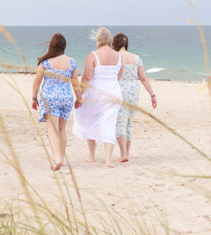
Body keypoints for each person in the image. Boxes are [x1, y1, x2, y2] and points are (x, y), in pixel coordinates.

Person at [73, 27, 122, 167]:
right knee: (110, 123)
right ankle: (108, 160)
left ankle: (91, 156)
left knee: (90, 120)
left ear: (98, 40)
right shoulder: (119, 56)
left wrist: (80, 95)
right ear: (110, 40)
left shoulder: (93, 55)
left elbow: (87, 77)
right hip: (113, 92)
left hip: (95, 93)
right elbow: (118, 75)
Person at [31, 33, 81, 171]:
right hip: (66, 99)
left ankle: (58, 159)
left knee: (52, 130)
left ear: (51, 46)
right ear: (64, 46)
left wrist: (34, 98)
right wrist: (79, 99)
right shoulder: (72, 63)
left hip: (50, 99)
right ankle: (61, 159)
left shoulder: (45, 63)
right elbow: (76, 84)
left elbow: (37, 82)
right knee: (62, 129)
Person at [113, 32, 157, 162]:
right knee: (129, 123)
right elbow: (143, 78)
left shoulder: (115, 57)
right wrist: (152, 95)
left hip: (120, 90)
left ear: (115, 44)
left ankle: (123, 154)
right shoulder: (136, 58)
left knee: (120, 122)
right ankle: (127, 152)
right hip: (133, 91)